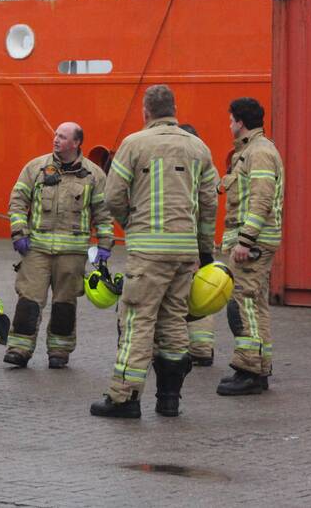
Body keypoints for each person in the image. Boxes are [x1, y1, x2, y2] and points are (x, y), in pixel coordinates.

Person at [90, 85, 218, 419]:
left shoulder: (134, 144)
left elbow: (112, 196)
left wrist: (130, 223)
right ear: (175, 109)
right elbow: (209, 205)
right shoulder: (199, 148)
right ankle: (169, 398)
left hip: (147, 251)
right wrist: (206, 254)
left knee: (137, 319)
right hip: (185, 251)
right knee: (174, 320)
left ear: (145, 112)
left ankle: (124, 398)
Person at [4, 122, 114, 369]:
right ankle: (19, 349)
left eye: (62, 137)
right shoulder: (36, 168)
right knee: (29, 300)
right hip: (37, 250)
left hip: (72, 254)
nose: (55, 140)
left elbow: (103, 214)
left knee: (65, 304)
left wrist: (105, 245)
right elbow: (18, 200)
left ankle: (59, 352)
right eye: (55, 135)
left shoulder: (94, 175)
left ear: (76, 143)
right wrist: (19, 231)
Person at [216, 97, 283, 396]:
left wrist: (245, 240)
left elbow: (261, 198)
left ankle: (249, 370)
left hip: (251, 243)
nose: (229, 125)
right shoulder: (252, 152)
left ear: (240, 122)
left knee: (243, 305)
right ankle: (258, 366)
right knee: (255, 305)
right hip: (254, 240)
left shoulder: (259, 153)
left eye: (230, 120)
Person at [178, 123, 216, 368]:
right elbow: (209, 209)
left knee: (172, 298)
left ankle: (174, 348)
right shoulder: (205, 165)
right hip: (195, 244)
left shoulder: (171, 170)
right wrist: (205, 251)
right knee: (200, 296)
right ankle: (201, 347)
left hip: (166, 244)